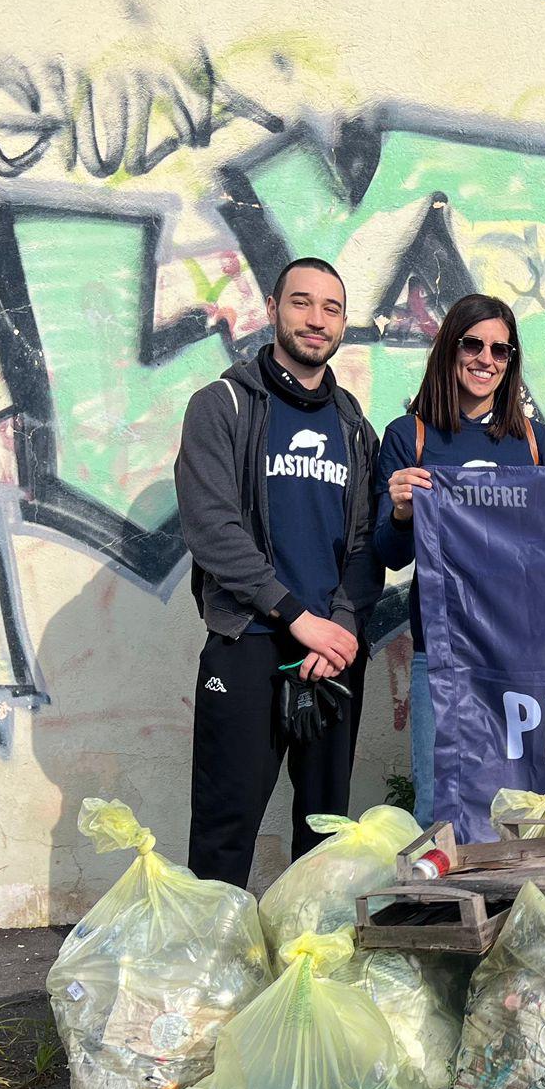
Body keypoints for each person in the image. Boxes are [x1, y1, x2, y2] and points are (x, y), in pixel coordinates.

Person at [173, 256, 382, 887]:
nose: (316, 320)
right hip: (251, 645)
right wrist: (298, 619)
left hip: (333, 660)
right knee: (223, 830)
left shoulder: (352, 427)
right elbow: (213, 530)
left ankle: (306, 969)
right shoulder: (222, 406)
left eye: (331, 308)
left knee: (324, 838)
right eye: (302, 302)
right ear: (272, 308)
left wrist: (339, 628)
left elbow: (365, 544)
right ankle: (213, 976)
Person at [372, 294, 545, 824]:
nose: (487, 359)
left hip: (521, 656)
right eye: (473, 344)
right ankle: (449, 911)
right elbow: (387, 553)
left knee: (529, 812)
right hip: (443, 656)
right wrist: (404, 513)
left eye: (501, 350)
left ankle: (522, 910)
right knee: (443, 812)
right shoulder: (409, 436)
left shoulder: (534, 442)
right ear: (448, 350)